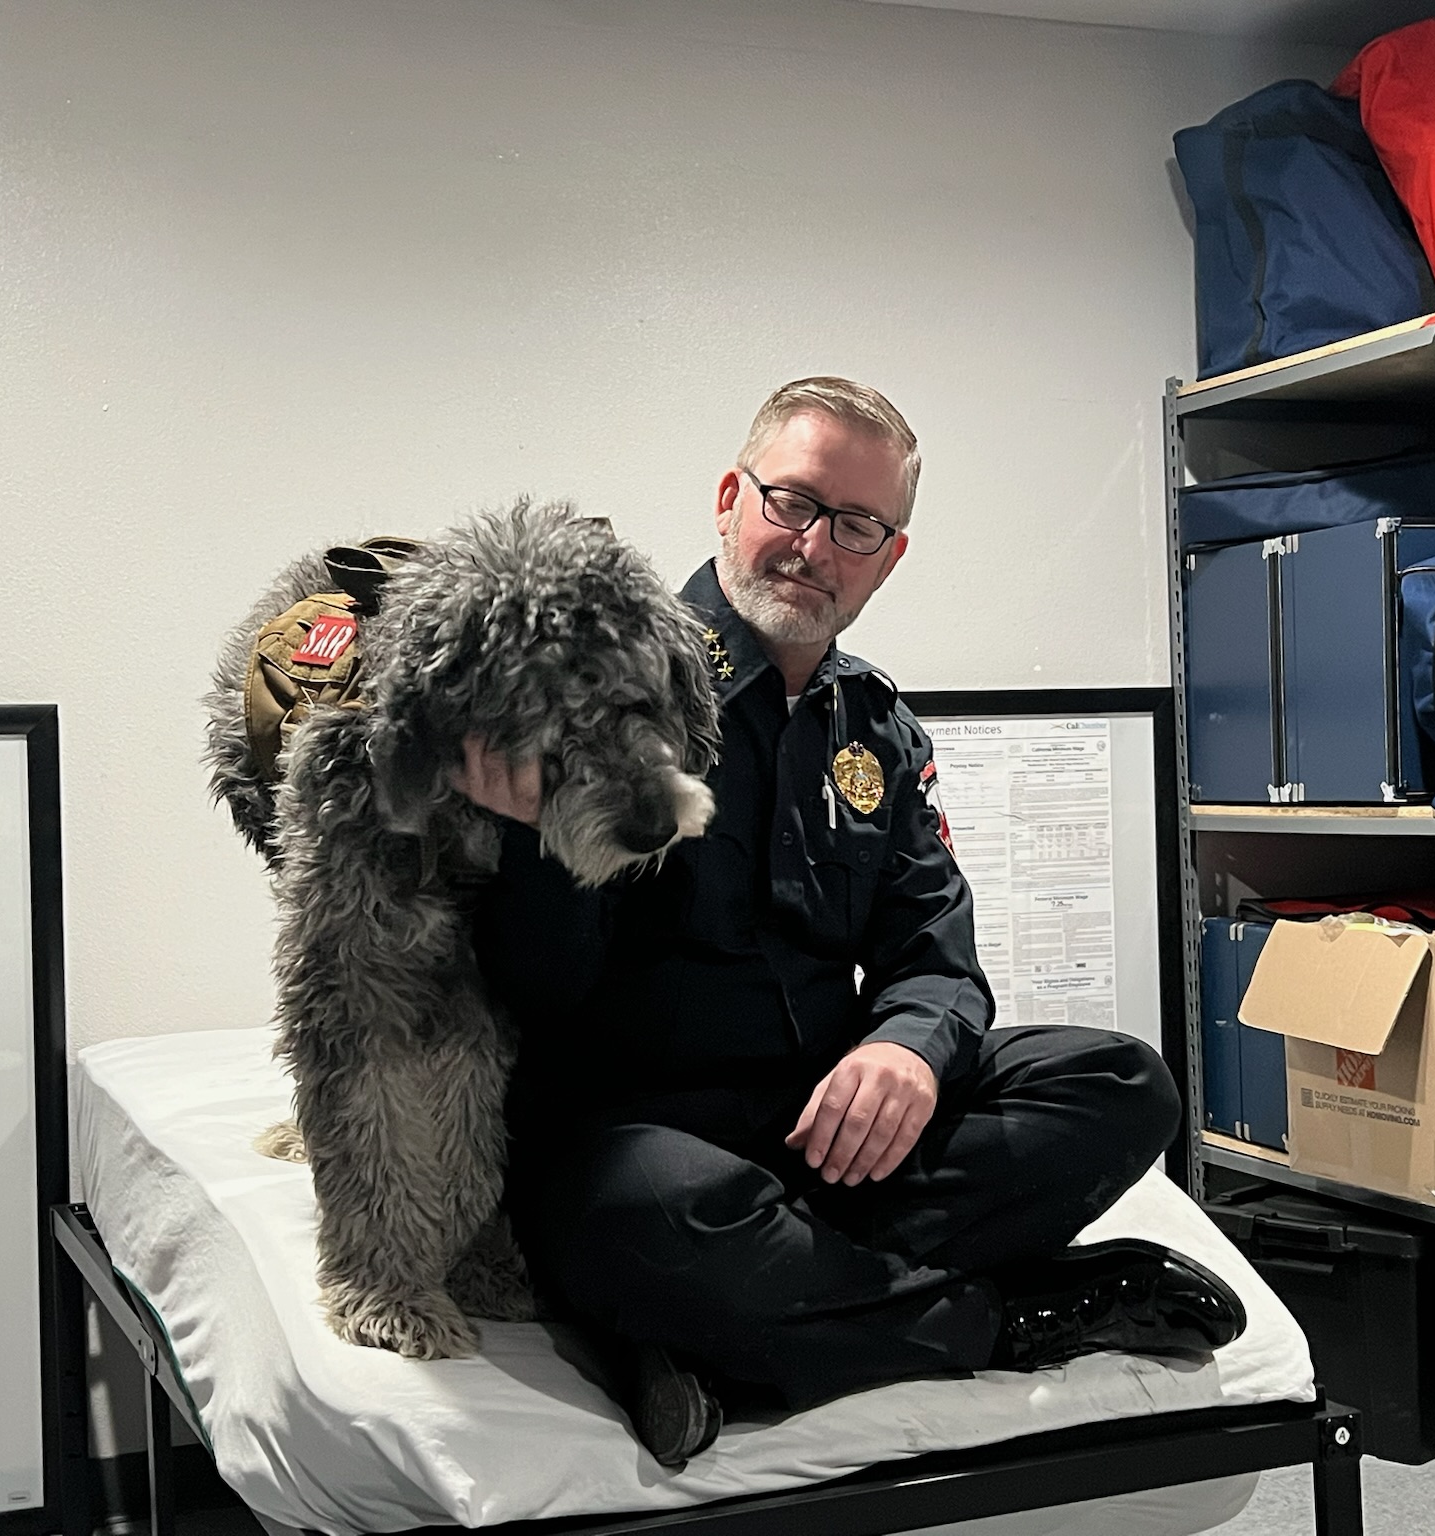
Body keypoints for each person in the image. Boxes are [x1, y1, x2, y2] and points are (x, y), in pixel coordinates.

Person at [462, 378, 1242, 1466]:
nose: (811, 546)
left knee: (1122, 1085)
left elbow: (940, 965)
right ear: (731, 497)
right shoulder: (605, 693)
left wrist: (907, 1052)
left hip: (824, 1137)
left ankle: (740, 1324)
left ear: (888, 555)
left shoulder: (872, 726)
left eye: (855, 526)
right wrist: (536, 838)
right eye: (791, 503)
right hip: (642, 1143)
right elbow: (538, 989)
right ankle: (1002, 1317)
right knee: (641, 1216)